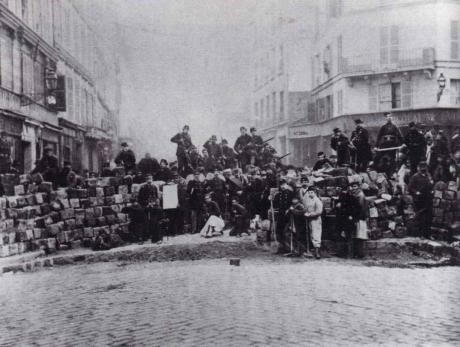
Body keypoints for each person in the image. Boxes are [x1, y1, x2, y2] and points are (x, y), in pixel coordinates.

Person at [408, 161, 433, 238]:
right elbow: (410, 188)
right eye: (422, 167)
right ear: (419, 168)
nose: (424, 169)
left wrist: (432, 189)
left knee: (428, 217)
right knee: (421, 217)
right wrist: (416, 192)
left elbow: (431, 184)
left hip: (428, 198)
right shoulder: (415, 176)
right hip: (419, 200)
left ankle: (428, 234)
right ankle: (421, 234)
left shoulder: (428, 176)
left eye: (425, 167)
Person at [336, 184, 362, 259]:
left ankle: (350, 254)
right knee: (342, 236)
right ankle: (342, 253)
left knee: (349, 237)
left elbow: (357, 209)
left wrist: (352, 216)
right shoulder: (340, 198)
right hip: (341, 220)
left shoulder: (352, 198)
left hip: (348, 220)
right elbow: (338, 209)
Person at [272, 180, 295, 254]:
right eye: (281, 185)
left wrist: (291, 208)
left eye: (284, 184)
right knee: (279, 231)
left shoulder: (291, 193)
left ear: (286, 185)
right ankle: (281, 248)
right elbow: (275, 204)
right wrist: (271, 199)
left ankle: (288, 248)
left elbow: (294, 202)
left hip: (288, 215)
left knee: (286, 232)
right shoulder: (279, 194)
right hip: (281, 214)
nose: (282, 186)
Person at [137, 175, 162, 243]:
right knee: (144, 222)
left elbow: (156, 197)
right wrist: (147, 204)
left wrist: (154, 203)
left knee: (155, 221)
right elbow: (140, 199)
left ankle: (156, 238)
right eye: (148, 179)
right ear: (146, 180)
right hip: (145, 207)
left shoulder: (154, 187)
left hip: (153, 207)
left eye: (150, 179)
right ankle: (144, 238)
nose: (149, 181)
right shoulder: (142, 188)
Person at [302, 186, 323, 259]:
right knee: (311, 234)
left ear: (315, 193)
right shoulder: (307, 199)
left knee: (316, 234)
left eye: (312, 192)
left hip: (315, 219)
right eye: (309, 192)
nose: (310, 194)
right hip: (309, 219)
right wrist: (305, 213)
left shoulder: (317, 200)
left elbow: (319, 211)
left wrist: (310, 214)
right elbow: (305, 207)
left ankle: (317, 252)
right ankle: (310, 250)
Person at [349, 181, 368, 258]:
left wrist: (356, 218)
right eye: (353, 187)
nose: (353, 188)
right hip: (357, 218)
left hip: (360, 218)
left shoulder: (360, 195)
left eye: (355, 187)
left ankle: (360, 254)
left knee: (360, 236)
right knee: (357, 236)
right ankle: (357, 253)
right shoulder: (355, 195)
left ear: (358, 187)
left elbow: (360, 208)